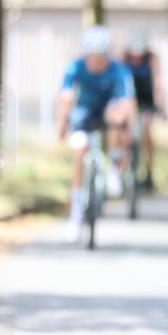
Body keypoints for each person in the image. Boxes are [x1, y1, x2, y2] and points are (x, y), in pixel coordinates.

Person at [56, 26, 136, 240]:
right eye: (92, 56)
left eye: (101, 57)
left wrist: (129, 127)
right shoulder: (75, 67)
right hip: (84, 112)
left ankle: (114, 169)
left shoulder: (119, 70)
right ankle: (76, 214)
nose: (96, 61)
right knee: (80, 153)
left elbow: (129, 102)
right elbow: (66, 97)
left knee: (116, 117)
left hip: (109, 109)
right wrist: (62, 123)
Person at [122, 30, 164, 191]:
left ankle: (149, 172)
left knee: (146, 130)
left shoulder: (152, 59)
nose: (137, 57)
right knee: (125, 132)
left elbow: (158, 82)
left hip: (146, 98)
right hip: (128, 97)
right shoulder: (123, 57)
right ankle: (123, 172)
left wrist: (160, 104)